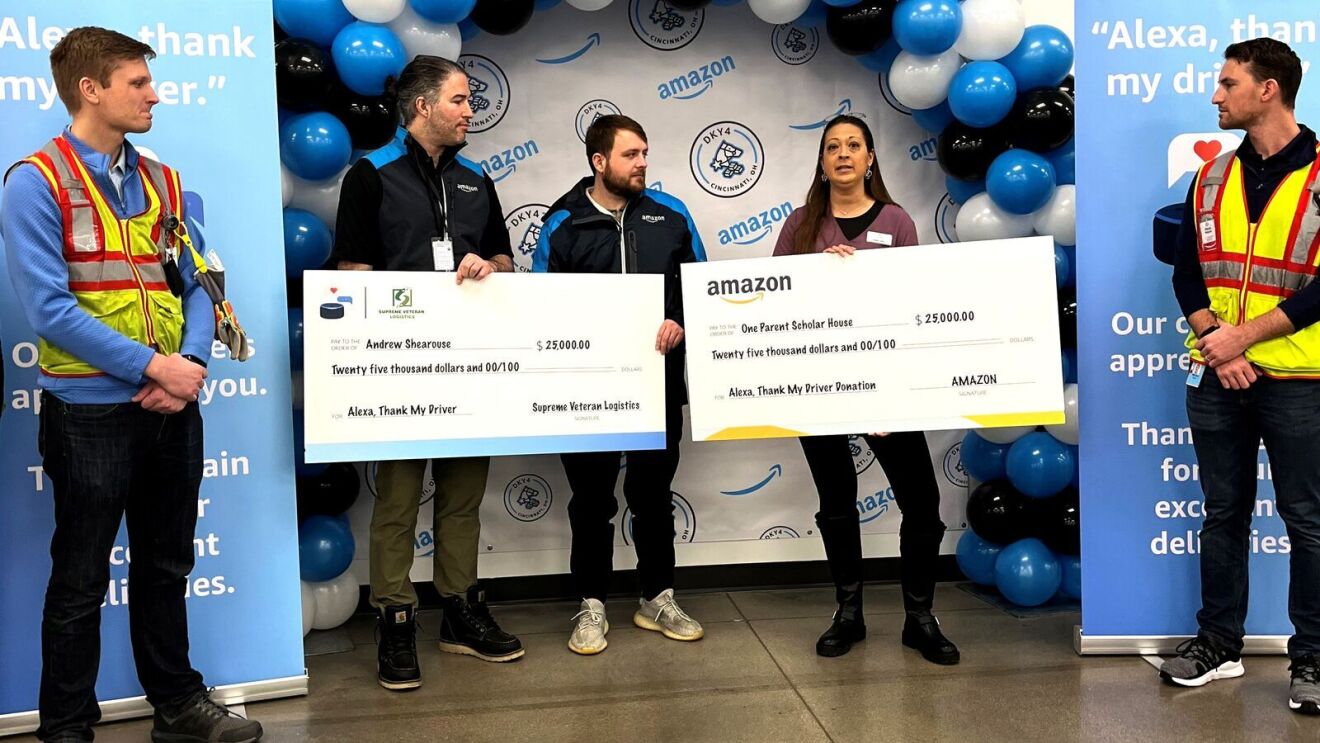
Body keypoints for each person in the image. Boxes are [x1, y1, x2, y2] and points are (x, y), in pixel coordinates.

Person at [0, 27, 261, 742]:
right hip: (89, 413)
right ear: (91, 89)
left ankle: (176, 703)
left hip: (173, 404)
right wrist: (156, 368)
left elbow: (202, 282)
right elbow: (48, 310)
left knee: (167, 562)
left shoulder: (167, 182)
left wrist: (191, 367)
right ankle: (66, 726)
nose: (154, 94)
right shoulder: (36, 181)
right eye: (138, 83)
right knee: (81, 577)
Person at [331, 55, 522, 690]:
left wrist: (490, 267)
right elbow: (351, 273)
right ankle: (394, 616)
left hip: (472, 370)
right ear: (423, 107)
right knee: (398, 500)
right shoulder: (370, 176)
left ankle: (460, 610)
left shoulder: (477, 179)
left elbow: (503, 256)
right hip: (401, 371)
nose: (471, 111)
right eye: (461, 100)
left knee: (464, 496)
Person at [1161, 37, 1320, 715]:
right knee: (1222, 513)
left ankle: (1311, 658)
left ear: (1269, 90)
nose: (1215, 96)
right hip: (1218, 375)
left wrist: (1245, 339)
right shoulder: (1211, 176)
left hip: (1299, 379)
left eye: (1227, 84)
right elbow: (1187, 269)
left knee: (1307, 520)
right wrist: (1214, 343)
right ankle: (1218, 643)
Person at [770, 115, 959, 664]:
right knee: (836, 501)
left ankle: (920, 618)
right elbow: (778, 303)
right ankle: (848, 613)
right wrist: (817, 274)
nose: (844, 154)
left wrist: (892, 395)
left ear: (871, 157)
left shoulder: (896, 221)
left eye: (854, 145)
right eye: (833, 147)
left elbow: (912, 308)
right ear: (822, 161)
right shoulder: (801, 225)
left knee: (921, 503)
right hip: (819, 387)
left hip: (887, 389)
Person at [532, 114, 707, 655]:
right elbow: (538, 307)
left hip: (655, 387)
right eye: (631, 155)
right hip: (587, 394)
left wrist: (680, 320)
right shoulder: (562, 222)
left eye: (645, 154)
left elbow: (700, 287)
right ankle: (591, 605)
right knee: (591, 500)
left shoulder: (671, 215)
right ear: (599, 161)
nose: (642, 164)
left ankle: (657, 596)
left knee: (652, 496)